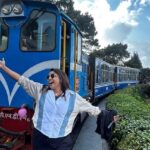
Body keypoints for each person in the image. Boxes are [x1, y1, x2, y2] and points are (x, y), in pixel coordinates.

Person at [0, 59, 101, 150]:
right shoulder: (40, 90)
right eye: (48, 76)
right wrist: (4, 67)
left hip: (62, 142)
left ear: (61, 78)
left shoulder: (74, 98)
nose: (49, 78)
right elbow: (21, 80)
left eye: (53, 76)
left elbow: (93, 110)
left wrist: (109, 116)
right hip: (40, 138)